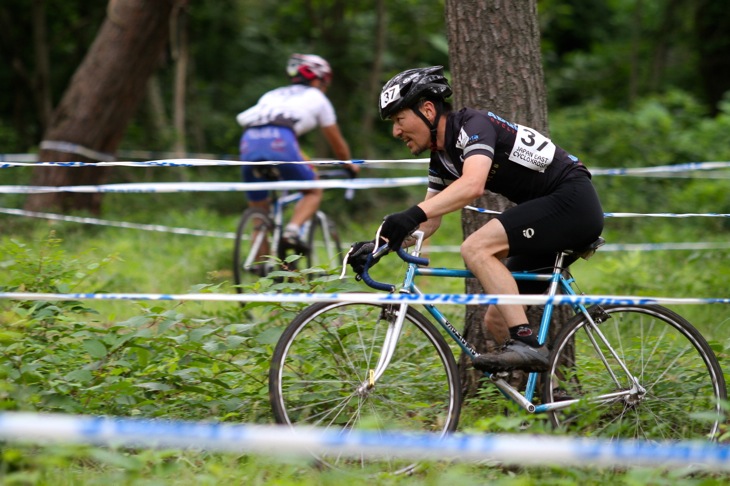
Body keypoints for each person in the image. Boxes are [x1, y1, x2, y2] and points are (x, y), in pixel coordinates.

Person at [350, 66, 604, 373]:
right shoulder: (442, 158)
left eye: (399, 119)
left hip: (573, 201)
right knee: (496, 319)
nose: (396, 131)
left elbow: (472, 185)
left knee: (476, 248)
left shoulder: (473, 125)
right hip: (547, 214)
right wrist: (380, 245)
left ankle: (528, 345)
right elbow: (429, 222)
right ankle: (545, 398)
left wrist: (411, 214)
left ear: (427, 109)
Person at [236, 53, 357, 250]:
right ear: (319, 80)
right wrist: (348, 164)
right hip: (281, 139)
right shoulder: (318, 98)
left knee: (260, 214)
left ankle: (259, 268)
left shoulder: (272, 94)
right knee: (313, 190)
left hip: (249, 141)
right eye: (325, 83)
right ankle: (292, 231)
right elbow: (337, 143)